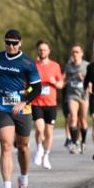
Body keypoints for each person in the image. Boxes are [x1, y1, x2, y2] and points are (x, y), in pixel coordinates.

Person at [0, 29, 41, 188]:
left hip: (23, 108)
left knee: (23, 146)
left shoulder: (27, 62)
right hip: (4, 107)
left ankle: (23, 180)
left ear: (20, 43)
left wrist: (24, 102)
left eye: (14, 43)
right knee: (6, 145)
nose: (10, 46)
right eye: (7, 43)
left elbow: (37, 88)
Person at [32, 40, 64, 170]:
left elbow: (61, 85)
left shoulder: (55, 66)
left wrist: (54, 82)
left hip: (50, 103)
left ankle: (46, 156)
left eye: (44, 50)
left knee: (49, 132)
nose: (42, 52)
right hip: (36, 102)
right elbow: (27, 83)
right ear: (38, 51)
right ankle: (39, 148)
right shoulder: (33, 66)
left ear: (49, 51)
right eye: (40, 50)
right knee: (40, 129)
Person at [63, 44, 90, 154]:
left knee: (83, 120)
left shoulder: (87, 66)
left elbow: (91, 82)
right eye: (73, 52)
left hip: (84, 95)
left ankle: (83, 142)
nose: (75, 54)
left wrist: (83, 79)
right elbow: (64, 79)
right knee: (73, 117)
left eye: (77, 52)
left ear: (82, 54)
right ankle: (74, 143)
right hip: (72, 95)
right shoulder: (68, 66)